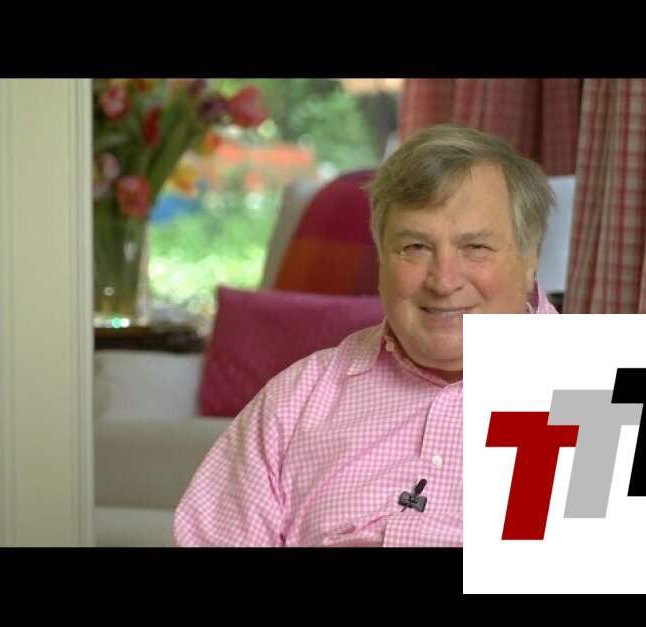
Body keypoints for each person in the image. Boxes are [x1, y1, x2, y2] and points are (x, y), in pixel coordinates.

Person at [173, 124, 559, 547]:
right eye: (415, 247)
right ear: (381, 259)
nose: (444, 280)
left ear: (530, 259)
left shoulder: (597, 391)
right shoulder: (297, 400)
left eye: (476, 248)